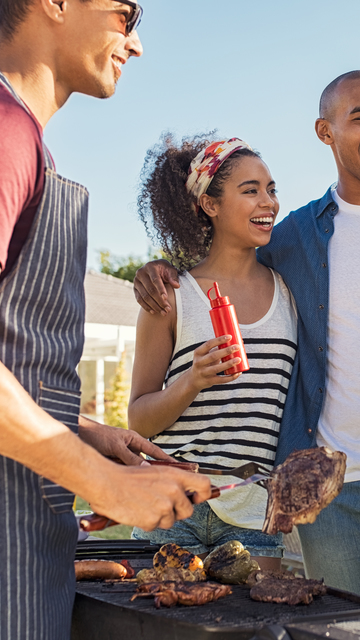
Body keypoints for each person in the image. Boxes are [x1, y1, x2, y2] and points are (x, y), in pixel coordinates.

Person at [133, 70, 360, 611]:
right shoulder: (286, 240)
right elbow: (222, 261)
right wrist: (159, 272)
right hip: (265, 492)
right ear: (325, 131)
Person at [0, 2, 212, 639]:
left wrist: (83, 431)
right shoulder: (6, 131)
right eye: (126, 13)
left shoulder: (26, 139)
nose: (137, 43)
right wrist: (104, 484)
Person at [128, 134, 297, 568]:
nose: (269, 202)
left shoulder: (291, 296)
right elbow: (139, 418)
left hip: (251, 510)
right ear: (210, 205)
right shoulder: (170, 296)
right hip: (170, 506)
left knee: (253, 633)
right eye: (250, 190)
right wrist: (193, 379)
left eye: (271, 189)